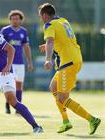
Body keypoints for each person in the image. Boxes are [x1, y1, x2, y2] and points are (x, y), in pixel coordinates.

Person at [38, 3, 101, 134]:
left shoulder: (48, 25)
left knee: (62, 98)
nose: (41, 19)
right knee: (53, 87)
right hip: (74, 58)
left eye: (41, 16)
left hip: (68, 62)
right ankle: (66, 122)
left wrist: (48, 59)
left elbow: (50, 41)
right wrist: (48, 45)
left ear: (44, 15)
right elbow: (62, 39)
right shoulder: (63, 21)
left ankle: (92, 119)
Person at [0, 10, 33, 114]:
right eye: (13, 18)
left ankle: (19, 108)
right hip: (9, 63)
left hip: (20, 63)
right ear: (10, 20)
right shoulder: (5, 31)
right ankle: (7, 105)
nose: (15, 20)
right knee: (9, 85)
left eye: (17, 18)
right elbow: (0, 46)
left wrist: (30, 62)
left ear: (21, 20)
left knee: (19, 85)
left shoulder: (24, 31)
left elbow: (26, 47)